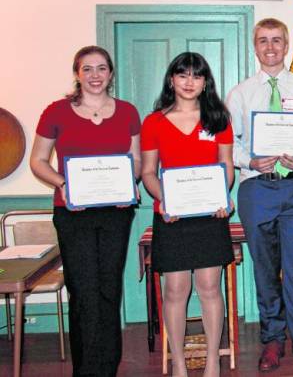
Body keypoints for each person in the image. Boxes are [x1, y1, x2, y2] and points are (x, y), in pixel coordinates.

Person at [29, 45, 140, 376]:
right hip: (73, 213)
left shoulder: (128, 112)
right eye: (87, 69)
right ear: (77, 74)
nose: (95, 75)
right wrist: (63, 183)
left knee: (109, 289)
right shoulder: (56, 112)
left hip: (115, 212)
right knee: (83, 291)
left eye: (102, 68)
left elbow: (135, 161)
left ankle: (108, 367)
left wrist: (128, 184)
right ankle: (86, 370)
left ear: (111, 73)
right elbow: (37, 161)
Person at [225, 17, 293, 372]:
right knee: (266, 269)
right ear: (255, 47)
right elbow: (230, 146)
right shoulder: (240, 94)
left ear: (286, 46)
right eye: (263, 41)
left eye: (277, 41)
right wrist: (249, 159)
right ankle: (272, 340)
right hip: (257, 188)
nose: (270, 47)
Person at [140, 52, 235, 377]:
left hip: (210, 214)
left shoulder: (218, 117)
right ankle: (178, 362)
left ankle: (212, 360)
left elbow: (226, 165)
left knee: (210, 287)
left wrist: (224, 196)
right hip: (172, 216)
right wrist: (164, 200)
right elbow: (149, 172)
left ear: (205, 81)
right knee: (175, 290)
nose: (189, 82)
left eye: (197, 76)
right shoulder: (153, 121)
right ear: (172, 80)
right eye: (183, 75)